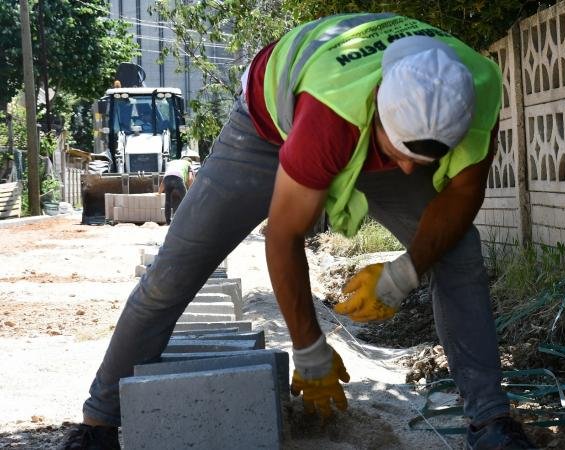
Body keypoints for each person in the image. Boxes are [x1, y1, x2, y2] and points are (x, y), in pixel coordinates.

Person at [60, 13, 536, 450]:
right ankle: (99, 420)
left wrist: (403, 274)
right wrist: (309, 350)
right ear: (376, 108)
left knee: (459, 255)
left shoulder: (476, 87)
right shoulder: (332, 116)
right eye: (400, 154)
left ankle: (490, 422)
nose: (410, 171)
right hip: (265, 131)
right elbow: (284, 236)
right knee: (173, 273)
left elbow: (462, 196)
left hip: (362, 128)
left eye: (424, 159)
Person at [157, 157, 194, 225]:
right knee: (186, 200)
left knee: (167, 202)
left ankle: (168, 222)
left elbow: (163, 181)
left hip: (167, 178)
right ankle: (189, 220)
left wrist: (159, 192)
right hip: (178, 178)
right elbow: (190, 178)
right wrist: (191, 190)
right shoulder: (188, 164)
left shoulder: (173, 163)